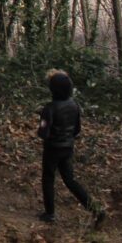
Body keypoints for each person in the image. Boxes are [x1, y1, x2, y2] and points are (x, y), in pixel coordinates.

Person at [37, 70, 105, 226]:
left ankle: (49, 214)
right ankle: (95, 209)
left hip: (52, 150)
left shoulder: (49, 108)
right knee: (70, 180)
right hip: (68, 148)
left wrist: (43, 122)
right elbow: (77, 130)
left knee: (48, 178)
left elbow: (43, 133)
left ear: (53, 90)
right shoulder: (74, 105)